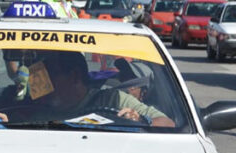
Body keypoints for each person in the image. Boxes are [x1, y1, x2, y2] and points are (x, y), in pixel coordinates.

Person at [35, 51, 175, 127]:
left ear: (74, 76)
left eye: (48, 75)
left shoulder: (113, 100)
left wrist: (140, 120)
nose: (38, 82)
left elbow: (167, 123)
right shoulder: (31, 105)